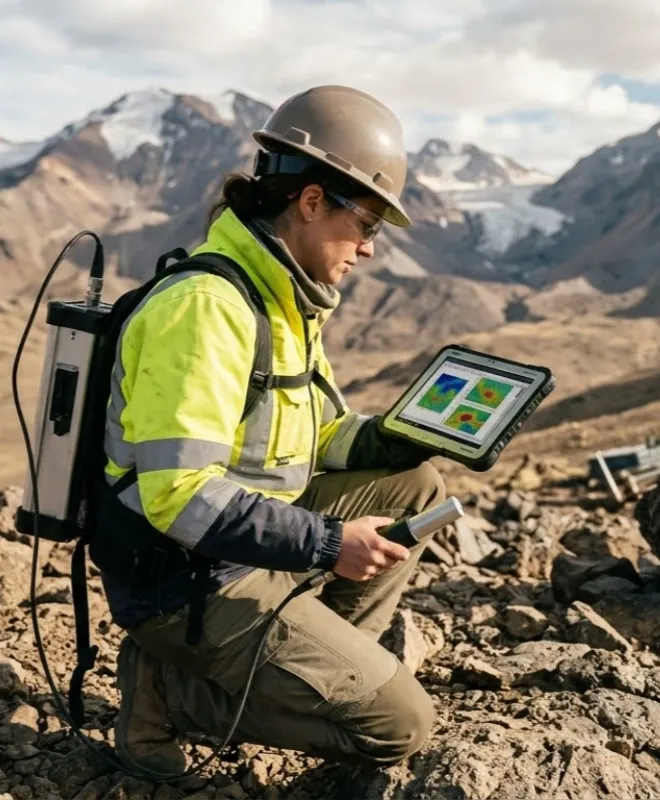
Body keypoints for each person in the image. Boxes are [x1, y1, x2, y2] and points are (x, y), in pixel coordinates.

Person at [89, 85, 443, 775]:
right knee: (403, 726)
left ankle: (312, 669)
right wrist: (330, 543)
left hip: (240, 549)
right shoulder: (207, 308)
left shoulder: (283, 300)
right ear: (311, 202)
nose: (369, 248)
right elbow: (181, 497)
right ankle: (172, 693)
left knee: (416, 485)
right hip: (184, 581)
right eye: (366, 224)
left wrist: (398, 439)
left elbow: (315, 439)